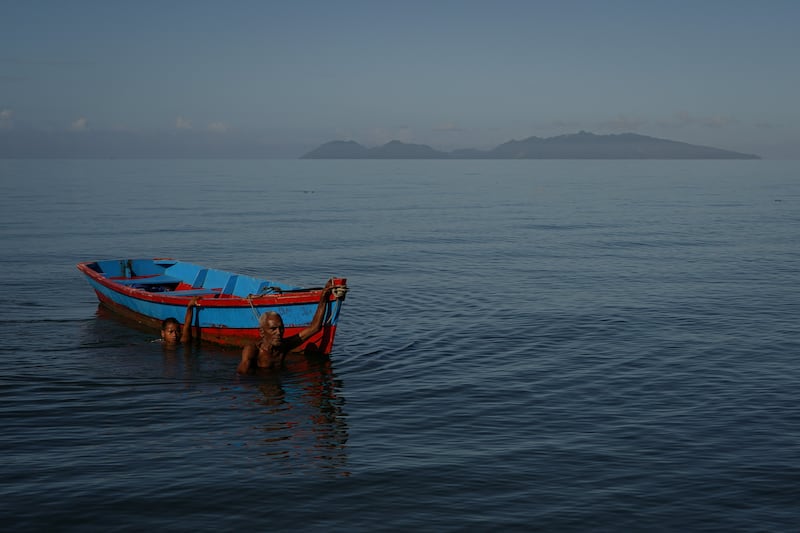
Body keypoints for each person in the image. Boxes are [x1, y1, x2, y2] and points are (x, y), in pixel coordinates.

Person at [237, 280, 334, 374]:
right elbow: (242, 375)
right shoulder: (253, 350)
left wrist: (324, 297)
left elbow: (315, 328)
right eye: (273, 329)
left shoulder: (284, 346)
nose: (279, 333)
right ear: (262, 332)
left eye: (281, 328)